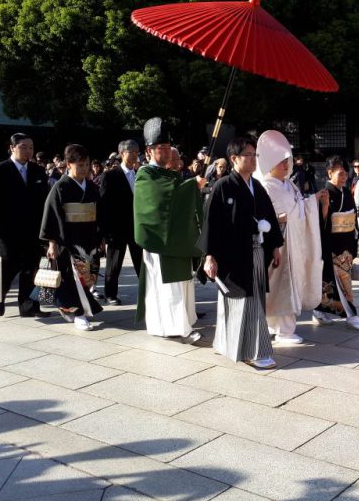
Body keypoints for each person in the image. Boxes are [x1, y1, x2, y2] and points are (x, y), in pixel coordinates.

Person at [201, 137, 284, 368]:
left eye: (254, 154)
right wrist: (210, 255)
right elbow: (212, 224)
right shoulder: (222, 186)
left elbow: (268, 215)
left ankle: (231, 345)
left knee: (253, 300)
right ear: (234, 158)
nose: (253, 158)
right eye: (248, 154)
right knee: (240, 301)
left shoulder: (256, 186)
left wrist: (275, 246)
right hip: (232, 253)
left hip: (255, 251)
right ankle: (252, 351)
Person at [134, 118, 203, 344]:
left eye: (167, 148)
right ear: (149, 151)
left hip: (176, 237)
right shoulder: (146, 174)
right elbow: (160, 199)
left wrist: (191, 185)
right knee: (167, 286)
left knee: (180, 284)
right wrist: (193, 185)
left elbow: (175, 193)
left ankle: (179, 322)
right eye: (160, 148)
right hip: (159, 240)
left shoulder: (168, 173)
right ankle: (176, 327)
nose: (164, 152)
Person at [255, 130, 323, 345]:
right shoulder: (266, 186)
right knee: (281, 285)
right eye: (281, 161)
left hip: (295, 242)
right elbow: (271, 215)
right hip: (280, 244)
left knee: (288, 284)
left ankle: (278, 326)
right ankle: (283, 330)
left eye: (288, 160)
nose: (286, 165)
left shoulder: (290, 184)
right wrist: (286, 215)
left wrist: (312, 201)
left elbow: (297, 206)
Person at [39, 144, 104, 330]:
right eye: (80, 165)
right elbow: (51, 216)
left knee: (87, 278)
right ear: (68, 164)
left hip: (89, 240)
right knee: (74, 278)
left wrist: (102, 237)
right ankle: (79, 314)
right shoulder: (60, 187)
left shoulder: (91, 186)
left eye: (87, 165)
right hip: (68, 241)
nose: (85, 169)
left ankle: (72, 309)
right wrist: (52, 243)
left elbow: (99, 213)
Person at [0, 133, 51, 318]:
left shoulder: (38, 171)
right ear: (12, 148)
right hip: (6, 229)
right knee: (7, 266)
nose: (28, 151)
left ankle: (28, 306)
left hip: (32, 229)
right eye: (23, 147)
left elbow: (43, 202)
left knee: (31, 267)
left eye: (31, 147)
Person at [316, 156, 359, 330]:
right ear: (329, 173)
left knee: (330, 281)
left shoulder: (346, 192)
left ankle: (319, 311)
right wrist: (324, 208)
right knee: (342, 282)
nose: (344, 176)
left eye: (345, 173)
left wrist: (356, 237)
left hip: (347, 242)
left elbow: (352, 216)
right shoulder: (324, 193)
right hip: (331, 244)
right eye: (340, 173)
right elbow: (319, 221)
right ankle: (351, 315)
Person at [99, 140, 143, 305]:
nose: (135, 155)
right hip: (117, 228)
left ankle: (146, 290)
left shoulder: (141, 174)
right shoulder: (110, 176)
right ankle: (110, 294)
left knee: (141, 262)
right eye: (132, 152)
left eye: (137, 152)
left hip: (136, 227)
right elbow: (104, 205)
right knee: (114, 263)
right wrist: (104, 231)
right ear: (122, 153)